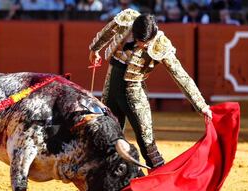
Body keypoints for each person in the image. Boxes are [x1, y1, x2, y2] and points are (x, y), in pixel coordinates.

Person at [88, 9, 212, 169]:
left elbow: (181, 76)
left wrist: (201, 105)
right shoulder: (128, 20)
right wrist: (95, 49)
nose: (141, 45)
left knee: (147, 143)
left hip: (133, 91)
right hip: (111, 84)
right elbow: (109, 29)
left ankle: (159, 181)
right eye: (139, 40)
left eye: (145, 42)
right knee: (108, 136)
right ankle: (114, 182)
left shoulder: (161, 45)